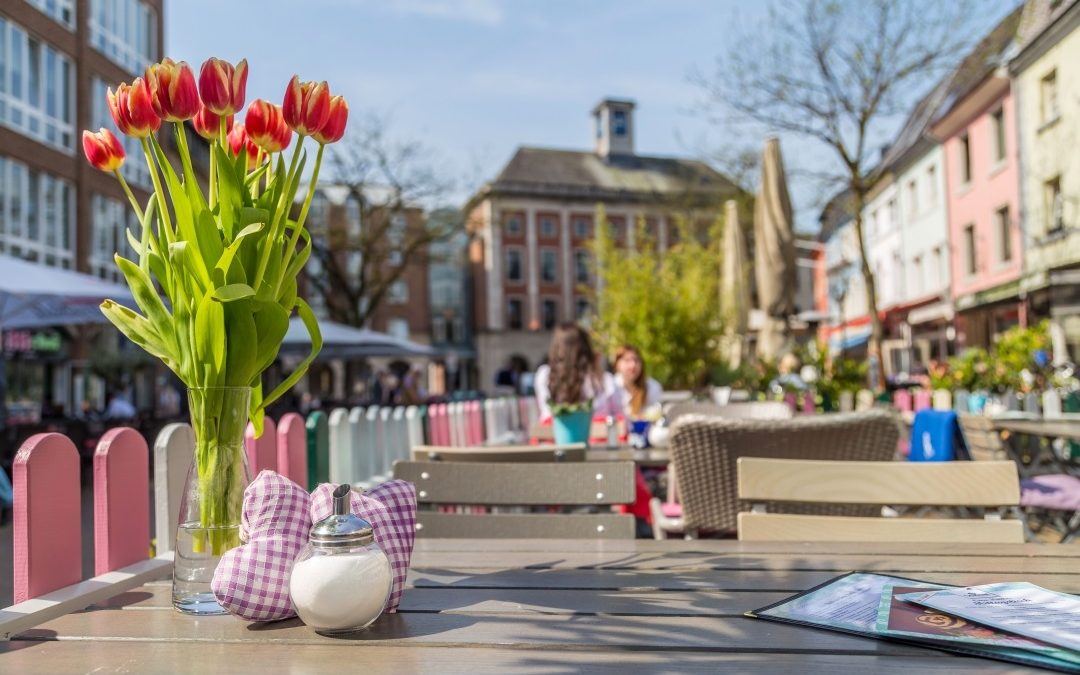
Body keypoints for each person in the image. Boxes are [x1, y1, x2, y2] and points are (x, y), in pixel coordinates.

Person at [534, 323, 621, 422]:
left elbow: (547, 413)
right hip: (596, 434)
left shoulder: (545, 375)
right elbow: (618, 418)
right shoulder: (604, 380)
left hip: (555, 435)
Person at [612, 345, 663, 419]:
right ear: (617, 364)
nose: (633, 365)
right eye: (627, 360)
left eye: (636, 360)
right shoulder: (611, 387)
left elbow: (656, 414)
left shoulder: (652, 386)